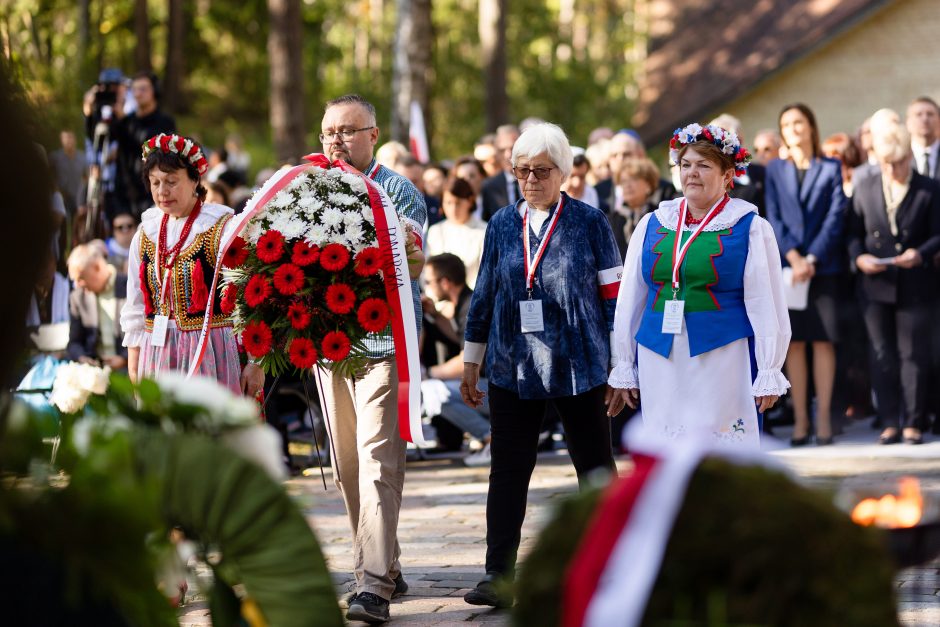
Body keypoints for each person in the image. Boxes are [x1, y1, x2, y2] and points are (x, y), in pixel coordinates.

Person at [460, 122, 621, 607]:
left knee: (594, 465)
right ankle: (497, 574)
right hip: (513, 364)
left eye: (541, 171)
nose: (531, 180)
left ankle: (612, 565)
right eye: (522, 171)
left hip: (580, 363)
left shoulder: (591, 222)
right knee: (508, 469)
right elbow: (484, 295)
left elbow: (613, 297)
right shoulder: (502, 224)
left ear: (564, 173)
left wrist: (622, 368)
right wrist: (472, 361)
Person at [607, 123, 791, 447]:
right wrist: (624, 363)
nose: (692, 173)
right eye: (686, 164)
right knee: (666, 451)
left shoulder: (748, 226)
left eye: (703, 165)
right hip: (658, 356)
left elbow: (765, 301)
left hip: (722, 357)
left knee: (718, 451)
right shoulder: (653, 223)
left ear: (727, 175)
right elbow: (630, 298)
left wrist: (769, 368)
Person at [315, 94, 426, 624]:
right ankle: (388, 564)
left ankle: (373, 584)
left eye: (347, 131)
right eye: (328, 132)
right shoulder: (308, 193)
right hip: (327, 348)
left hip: (382, 345)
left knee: (378, 458)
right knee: (348, 466)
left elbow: (415, 259)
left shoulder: (398, 191)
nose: (336, 141)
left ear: (373, 135)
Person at [120, 133, 262, 398]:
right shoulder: (145, 232)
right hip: (158, 353)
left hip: (212, 352)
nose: (162, 191)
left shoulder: (222, 227)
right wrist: (134, 362)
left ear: (195, 179)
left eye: (172, 182)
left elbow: (249, 297)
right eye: (155, 183)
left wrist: (256, 362)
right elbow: (136, 303)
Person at [847, 111, 940, 445]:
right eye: (886, 163)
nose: (892, 170)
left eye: (898, 162)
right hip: (875, 285)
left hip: (916, 283)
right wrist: (859, 258)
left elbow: (937, 233)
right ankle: (890, 421)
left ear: (908, 157)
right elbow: (853, 232)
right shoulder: (865, 186)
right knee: (881, 352)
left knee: (913, 353)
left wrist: (922, 253)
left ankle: (913, 422)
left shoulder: (929, 188)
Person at [765, 104, 847, 446]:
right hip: (790, 269)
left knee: (824, 340)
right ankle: (800, 420)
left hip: (823, 267)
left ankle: (823, 418)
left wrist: (812, 257)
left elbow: (835, 216)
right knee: (795, 343)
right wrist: (795, 257)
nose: (793, 128)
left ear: (811, 127)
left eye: (799, 122)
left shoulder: (830, 167)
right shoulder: (774, 170)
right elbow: (773, 216)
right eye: (786, 123)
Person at [421, 253, 492, 466]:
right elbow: (460, 338)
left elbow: (468, 359)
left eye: (428, 281)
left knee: (436, 395)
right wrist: (436, 316)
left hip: (493, 389)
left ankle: (492, 440)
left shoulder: (470, 307)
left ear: (445, 282)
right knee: (435, 392)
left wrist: (428, 374)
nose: (427, 287)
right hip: (490, 387)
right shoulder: (466, 302)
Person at [114, 72, 177, 219]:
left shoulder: (165, 121)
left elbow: (149, 144)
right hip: (124, 193)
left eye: (143, 89)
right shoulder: (126, 120)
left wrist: (124, 121)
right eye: (134, 89)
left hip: (151, 193)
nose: (137, 94)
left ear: (154, 91)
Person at [66, 243, 127, 371]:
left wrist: (124, 359)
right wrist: (82, 358)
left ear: (97, 267)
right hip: (94, 371)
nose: (77, 284)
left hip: (127, 368)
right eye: (75, 280)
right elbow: (74, 343)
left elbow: (143, 333)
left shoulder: (129, 286)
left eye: (81, 278)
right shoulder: (78, 297)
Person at [426, 176, 486, 288]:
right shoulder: (435, 231)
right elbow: (427, 273)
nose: (453, 209)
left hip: (472, 299)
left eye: (458, 203)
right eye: (448, 203)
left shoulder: (484, 231)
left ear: (470, 201)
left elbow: (485, 274)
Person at [608, 157, 659, 258]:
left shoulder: (660, 217)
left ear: (648, 185)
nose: (627, 185)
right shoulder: (611, 220)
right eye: (623, 181)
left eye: (634, 179)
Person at [481, 124, 521, 220]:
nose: (508, 155)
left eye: (513, 148)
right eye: (502, 150)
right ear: (497, 154)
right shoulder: (489, 187)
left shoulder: (537, 180)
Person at [50, 129, 87, 216]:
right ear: (61, 140)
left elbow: (86, 177)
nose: (68, 141)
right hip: (61, 198)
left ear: (75, 139)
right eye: (65, 138)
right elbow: (48, 175)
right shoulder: (55, 158)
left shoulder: (83, 158)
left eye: (70, 137)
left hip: (79, 198)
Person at [906, 96, 940, 179]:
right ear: (908, 123)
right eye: (918, 115)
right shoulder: (901, 159)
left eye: (930, 114)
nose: (925, 119)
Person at [453, 155, 487, 222]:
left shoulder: (494, 200)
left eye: (472, 176)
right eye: (462, 178)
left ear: (482, 177)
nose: (467, 181)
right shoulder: (453, 205)